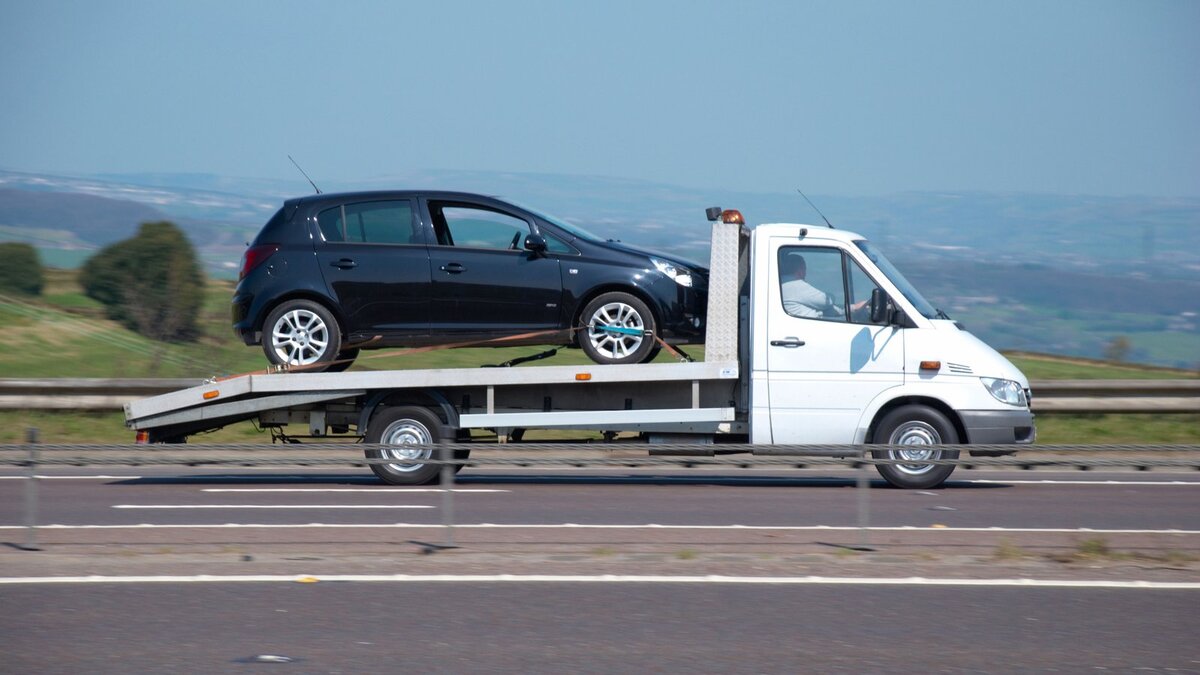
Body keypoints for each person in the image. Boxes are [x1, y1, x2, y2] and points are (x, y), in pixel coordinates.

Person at [780, 252, 867, 319]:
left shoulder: (783, 285)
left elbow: (825, 310)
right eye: (805, 269)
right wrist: (831, 296)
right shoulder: (795, 285)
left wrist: (853, 307)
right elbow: (825, 301)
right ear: (800, 270)